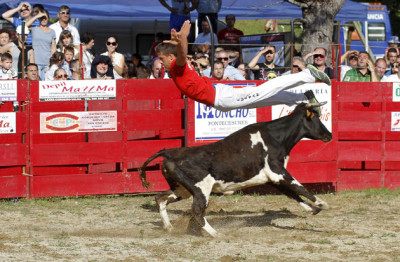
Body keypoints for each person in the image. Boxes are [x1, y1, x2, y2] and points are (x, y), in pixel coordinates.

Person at [155, 20, 330, 113]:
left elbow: (182, 53)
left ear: (171, 57)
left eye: (162, 59)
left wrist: (182, 40)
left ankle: (307, 74)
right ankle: (303, 98)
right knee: (263, 100)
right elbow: (181, 53)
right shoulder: (178, 66)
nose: (161, 64)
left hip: (222, 97)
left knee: (265, 90)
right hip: (220, 98)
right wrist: (179, 42)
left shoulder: (178, 69)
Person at [26, 9, 56, 81]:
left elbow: (53, 48)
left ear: (48, 18)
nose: (44, 19)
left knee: (46, 84)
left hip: (47, 63)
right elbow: (25, 26)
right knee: (36, 83)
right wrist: (37, 16)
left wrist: (52, 63)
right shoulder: (34, 29)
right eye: (42, 18)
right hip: (36, 63)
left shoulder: (52, 31)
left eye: (45, 17)